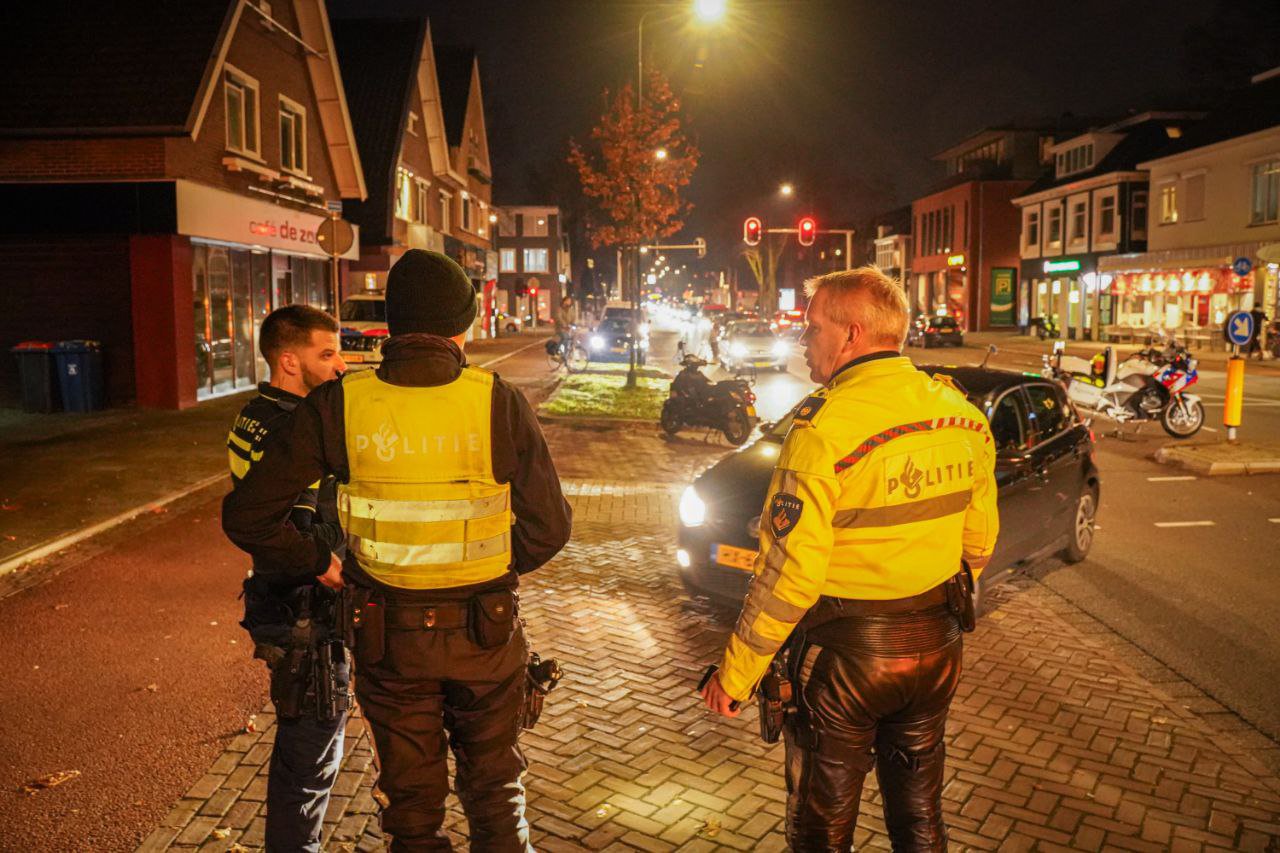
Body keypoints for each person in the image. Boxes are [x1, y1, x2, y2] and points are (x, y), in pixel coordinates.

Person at [223, 249, 572, 852]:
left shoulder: (339, 405)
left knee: (411, 811)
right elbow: (549, 528)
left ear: (391, 326)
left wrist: (317, 561)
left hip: (389, 640)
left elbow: (247, 515)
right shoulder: (497, 401)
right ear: (459, 328)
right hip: (485, 636)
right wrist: (488, 564)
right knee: (496, 795)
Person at [701, 267, 999, 851]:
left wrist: (735, 678)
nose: (803, 343)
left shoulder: (824, 431)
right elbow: (980, 542)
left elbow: (789, 576)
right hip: (936, 648)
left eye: (812, 330)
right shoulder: (962, 416)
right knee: (920, 817)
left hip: (846, 661)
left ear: (852, 335)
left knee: (822, 828)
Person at [224, 305, 349, 853]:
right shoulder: (292, 426)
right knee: (311, 749)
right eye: (327, 354)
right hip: (304, 610)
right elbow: (273, 521)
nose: (340, 365)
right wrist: (321, 560)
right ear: (289, 360)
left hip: (277, 600)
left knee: (306, 740)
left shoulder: (255, 410)